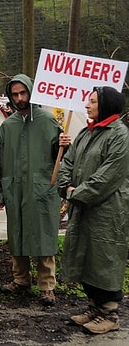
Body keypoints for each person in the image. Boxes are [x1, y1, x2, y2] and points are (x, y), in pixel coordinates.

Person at [57, 87, 129, 334]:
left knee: (104, 258)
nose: (87, 105)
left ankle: (110, 313)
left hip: (108, 209)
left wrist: (75, 194)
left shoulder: (119, 134)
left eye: (93, 101)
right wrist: (67, 186)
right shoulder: (87, 132)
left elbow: (108, 176)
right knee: (86, 255)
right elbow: (68, 161)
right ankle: (95, 307)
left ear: (106, 105)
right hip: (84, 206)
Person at [0, 73, 66, 307]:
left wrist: (65, 145)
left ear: (31, 92)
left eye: (23, 92)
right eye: (15, 94)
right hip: (15, 189)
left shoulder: (48, 121)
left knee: (43, 236)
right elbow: (0, 162)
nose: (20, 98)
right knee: (17, 235)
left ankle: (47, 286)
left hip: (43, 189)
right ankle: (21, 279)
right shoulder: (7, 126)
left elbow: (62, 158)